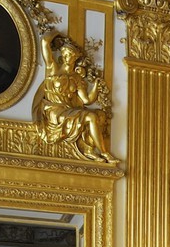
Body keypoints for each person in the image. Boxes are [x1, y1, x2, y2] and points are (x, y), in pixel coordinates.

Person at [33, 34, 115, 164]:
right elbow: (44, 42)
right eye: (65, 53)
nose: (67, 56)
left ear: (75, 58)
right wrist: (57, 34)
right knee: (91, 117)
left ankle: (95, 151)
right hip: (54, 111)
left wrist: (96, 86)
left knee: (94, 116)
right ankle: (104, 153)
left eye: (70, 54)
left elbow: (87, 100)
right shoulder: (53, 69)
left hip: (67, 110)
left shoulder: (77, 78)